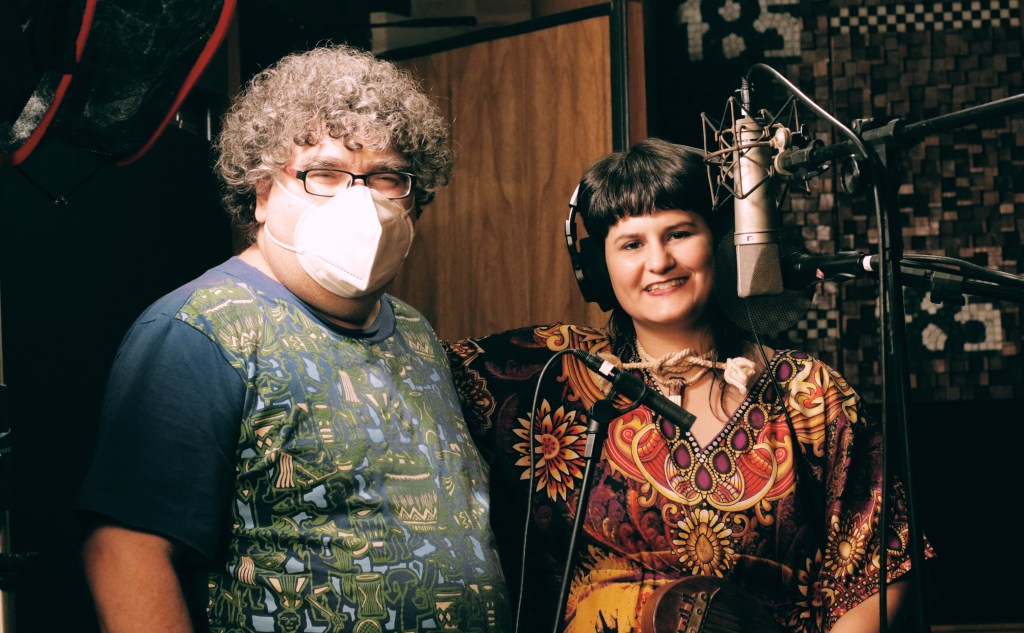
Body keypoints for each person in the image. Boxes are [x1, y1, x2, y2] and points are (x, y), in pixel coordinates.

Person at [77, 44, 510, 633]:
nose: (360, 202)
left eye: (386, 177)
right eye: (324, 173)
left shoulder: (413, 331)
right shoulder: (199, 332)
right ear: (262, 192)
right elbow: (126, 553)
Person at [446, 138, 930, 632]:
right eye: (632, 244)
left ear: (721, 243)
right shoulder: (558, 374)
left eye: (678, 234)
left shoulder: (806, 393)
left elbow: (881, 570)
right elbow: (414, 364)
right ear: (596, 269)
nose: (659, 262)